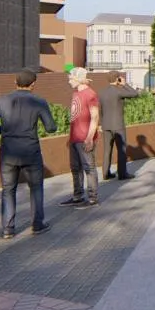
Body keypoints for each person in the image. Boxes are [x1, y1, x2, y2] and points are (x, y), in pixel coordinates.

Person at [0, 69, 57, 239]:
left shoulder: (1, 100)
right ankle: (37, 225)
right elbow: (51, 128)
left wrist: (7, 130)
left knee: (8, 190)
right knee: (36, 187)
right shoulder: (39, 101)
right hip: (31, 150)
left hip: (8, 151)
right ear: (33, 84)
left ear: (15, 82)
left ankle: (8, 229)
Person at [60, 68, 100, 208]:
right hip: (74, 138)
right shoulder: (76, 93)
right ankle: (77, 196)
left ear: (78, 78)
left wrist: (89, 138)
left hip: (85, 138)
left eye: (71, 78)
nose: (69, 80)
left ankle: (92, 198)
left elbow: (95, 117)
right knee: (75, 168)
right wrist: (70, 138)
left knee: (89, 168)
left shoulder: (90, 94)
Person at [98, 73, 138, 180]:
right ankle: (122, 174)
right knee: (121, 150)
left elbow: (100, 110)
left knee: (107, 150)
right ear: (117, 79)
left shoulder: (101, 92)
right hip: (118, 125)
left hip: (106, 125)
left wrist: (100, 124)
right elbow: (135, 94)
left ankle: (106, 174)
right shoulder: (119, 91)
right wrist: (125, 84)